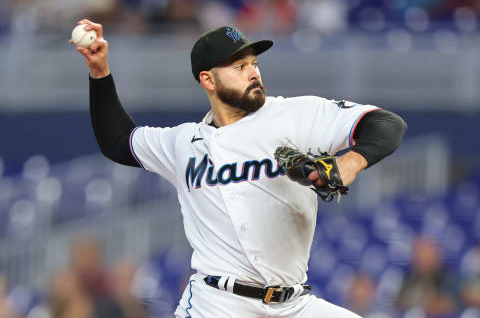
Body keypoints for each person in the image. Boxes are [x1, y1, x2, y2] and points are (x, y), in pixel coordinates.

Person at [71, 19, 407, 318]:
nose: (253, 72)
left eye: (254, 63)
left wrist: (351, 161)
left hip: (293, 304)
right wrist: (100, 73)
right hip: (216, 302)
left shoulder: (294, 115)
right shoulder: (183, 143)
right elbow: (117, 141)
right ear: (208, 79)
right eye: (239, 65)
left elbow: (387, 124)